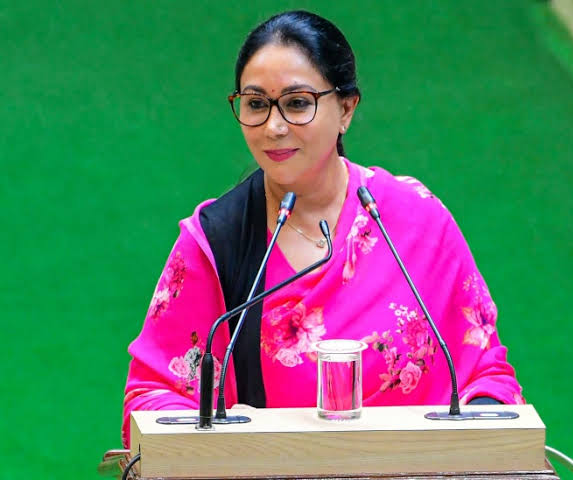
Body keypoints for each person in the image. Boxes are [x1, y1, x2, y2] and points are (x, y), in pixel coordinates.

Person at [122, 10, 523, 447]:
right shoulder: (215, 242)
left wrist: (480, 439)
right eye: (256, 104)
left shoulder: (414, 219)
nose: (274, 127)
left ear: (346, 109)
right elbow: (152, 395)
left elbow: (486, 373)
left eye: (297, 103)